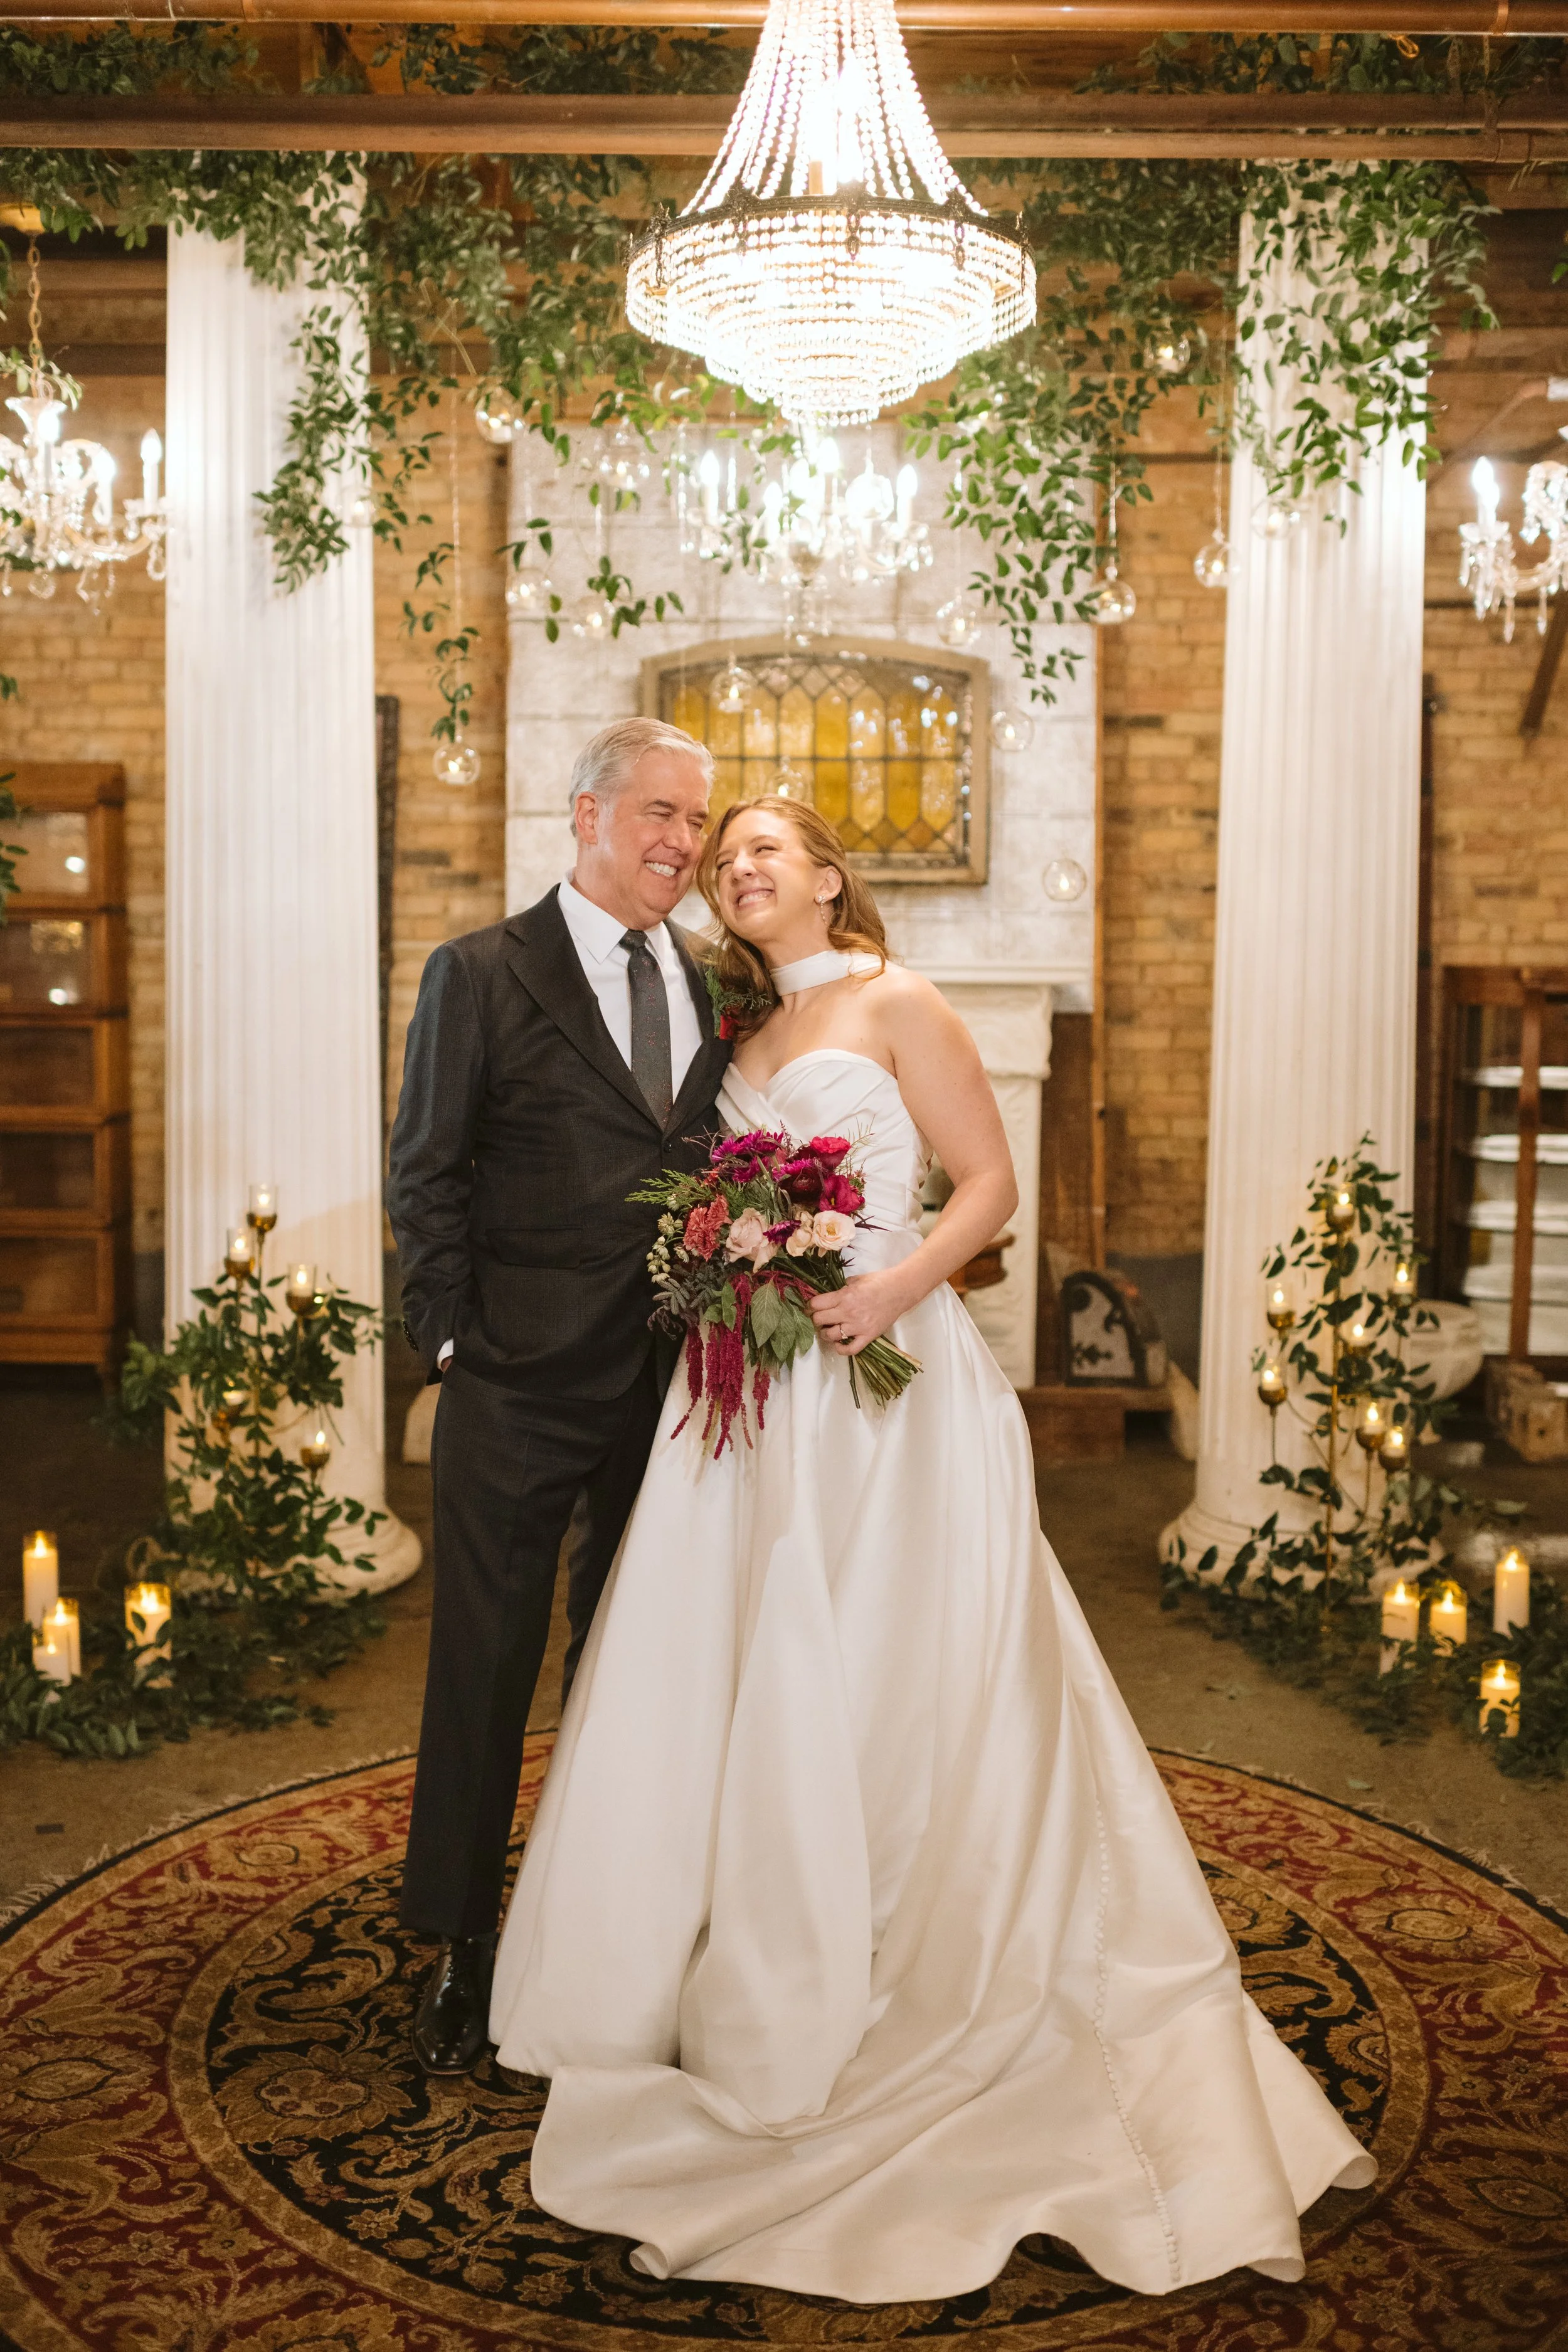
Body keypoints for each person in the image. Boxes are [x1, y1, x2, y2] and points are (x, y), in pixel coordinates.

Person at [486, 792, 1375, 2305]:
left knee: (901, 1674)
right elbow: (712, 1195)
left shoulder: (903, 1002)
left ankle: (920, 1951)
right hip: (755, 1398)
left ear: (831, 875)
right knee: (740, 1674)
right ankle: (732, 1971)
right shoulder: (735, 1043)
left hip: (890, 1395)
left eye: (766, 847)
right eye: (723, 858)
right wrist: (723, 1263)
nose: (739, 868)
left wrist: (890, 1293)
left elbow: (988, 1188)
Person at [386, 716, 729, 2077]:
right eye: (656, 812)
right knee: (482, 1670)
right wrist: (455, 1348)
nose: (678, 843)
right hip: (515, 1387)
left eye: (694, 822)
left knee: (626, 1669)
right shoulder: (479, 971)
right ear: (584, 814)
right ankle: (459, 1944)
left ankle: (598, 1933)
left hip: (665, 1390)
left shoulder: (709, 983)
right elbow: (426, 1170)